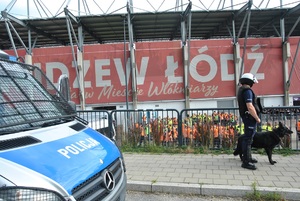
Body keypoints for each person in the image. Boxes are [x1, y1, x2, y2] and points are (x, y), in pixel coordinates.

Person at [237, 73, 261, 170]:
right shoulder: (247, 91)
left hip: (246, 117)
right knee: (248, 140)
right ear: (250, 82)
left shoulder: (241, 90)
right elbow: (250, 106)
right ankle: (246, 162)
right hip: (250, 118)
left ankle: (248, 158)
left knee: (248, 138)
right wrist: (257, 118)